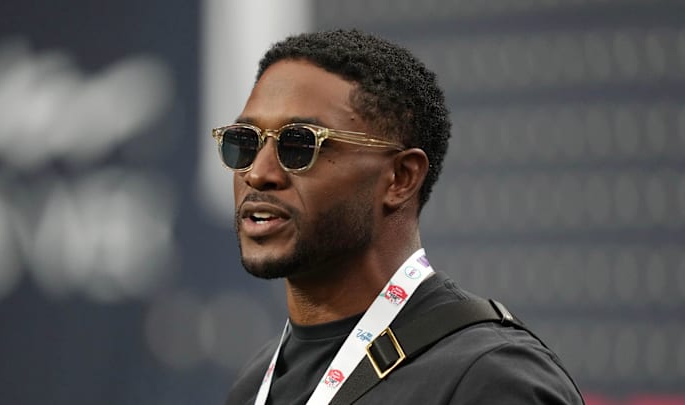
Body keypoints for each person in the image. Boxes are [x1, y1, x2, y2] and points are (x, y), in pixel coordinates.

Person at [214, 29, 583, 404]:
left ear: (401, 178)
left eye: (299, 144)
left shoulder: (490, 379)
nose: (258, 173)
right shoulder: (255, 381)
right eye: (244, 142)